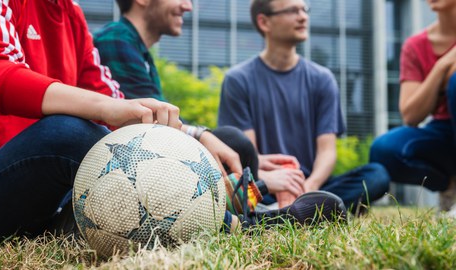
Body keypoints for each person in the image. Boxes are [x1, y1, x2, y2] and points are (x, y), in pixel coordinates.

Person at [0, 0, 345, 239]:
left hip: (52, 193)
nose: (188, 6)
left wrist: (197, 135)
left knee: (228, 140)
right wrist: (106, 110)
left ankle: (244, 202)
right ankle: (244, 222)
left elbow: (117, 99)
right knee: (69, 133)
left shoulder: (70, 13)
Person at [94, 0, 347, 230]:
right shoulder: (117, 40)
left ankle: (250, 207)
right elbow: (152, 131)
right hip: (129, 172)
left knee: (234, 144)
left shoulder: (139, 50)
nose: (188, 6)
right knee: (234, 143)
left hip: (148, 166)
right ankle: (255, 216)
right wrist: (265, 178)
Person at [218, 0, 390, 213]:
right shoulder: (238, 80)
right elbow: (249, 158)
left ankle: (295, 209)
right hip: (267, 185)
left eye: (304, 9)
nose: (303, 16)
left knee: (376, 176)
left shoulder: (322, 79)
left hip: (313, 184)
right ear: (264, 22)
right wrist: (275, 181)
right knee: (239, 189)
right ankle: (317, 209)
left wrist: (308, 189)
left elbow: (327, 152)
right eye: (292, 10)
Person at [370, 0, 456, 215]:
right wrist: (442, 66)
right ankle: (450, 188)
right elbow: (411, 115)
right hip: (444, 130)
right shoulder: (416, 45)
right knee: (384, 150)